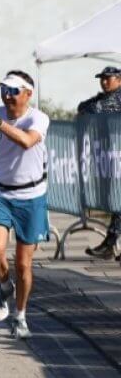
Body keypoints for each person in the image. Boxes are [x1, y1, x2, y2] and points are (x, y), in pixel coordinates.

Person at [0, 70, 49, 340]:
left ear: (28, 94)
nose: (7, 96)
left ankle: (21, 316)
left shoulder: (38, 118)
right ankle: (5, 287)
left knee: (24, 264)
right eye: (4, 90)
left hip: (32, 195)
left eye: (13, 91)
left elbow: (27, 141)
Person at [80, 66, 121, 259]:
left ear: (119, 80)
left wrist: (91, 109)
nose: (104, 81)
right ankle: (109, 244)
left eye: (108, 78)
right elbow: (84, 106)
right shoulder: (103, 98)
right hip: (113, 159)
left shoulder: (117, 98)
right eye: (102, 79)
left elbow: (96, 109)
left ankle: (110, 243)